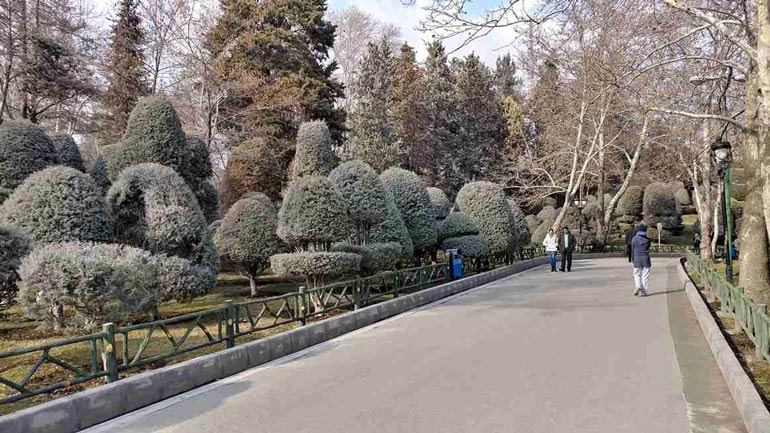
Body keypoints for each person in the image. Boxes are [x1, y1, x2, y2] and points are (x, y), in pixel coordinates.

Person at [631, 224, 652, 297]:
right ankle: (644, 291)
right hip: (646, 258)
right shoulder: (647, 239)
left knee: (637, 274)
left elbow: (632, 250)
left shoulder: (634, 239)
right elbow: (649, 247)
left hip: (637, 258)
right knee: (645, 275)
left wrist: (632, 259)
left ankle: (638, 286)